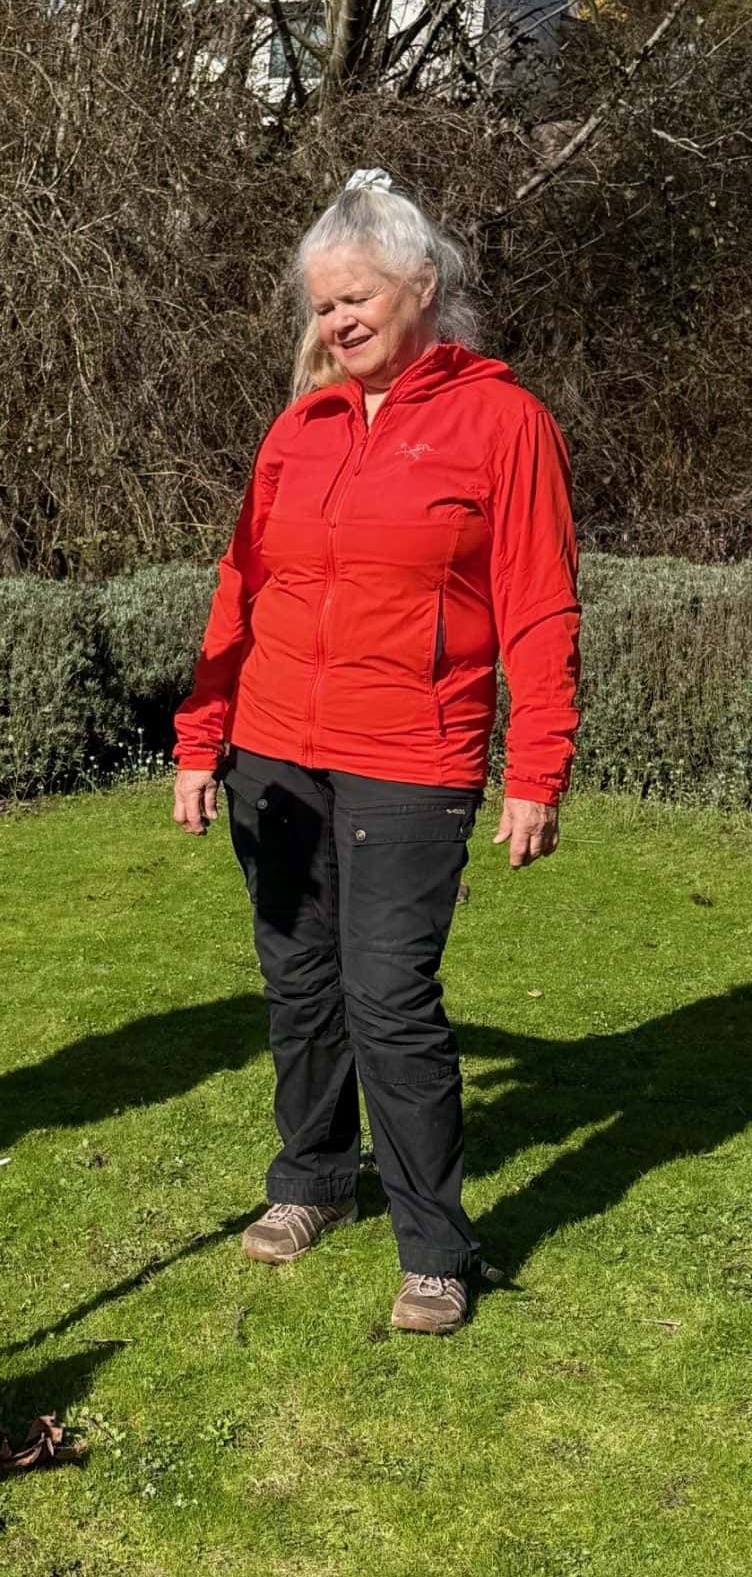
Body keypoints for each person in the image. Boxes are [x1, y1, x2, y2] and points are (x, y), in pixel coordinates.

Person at [171, 169, 579, 1333]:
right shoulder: (298, 429)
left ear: (423, 285)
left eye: (354, 298)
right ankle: (311, 1179)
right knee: (300, 983)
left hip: (412, 757)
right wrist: (202, 738)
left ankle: (435, 1246)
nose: (336, 322)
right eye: (322, 306)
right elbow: (241, 587)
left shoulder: (505, 423)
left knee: (389, 995)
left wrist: (536, 768)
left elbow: (542, 603)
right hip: (274, 754)